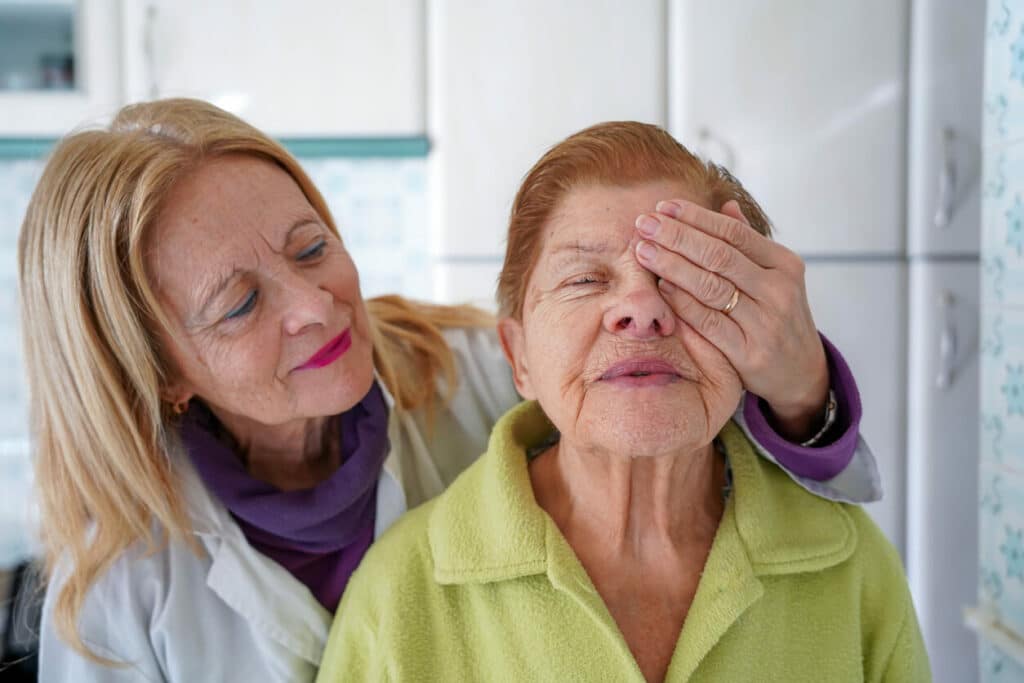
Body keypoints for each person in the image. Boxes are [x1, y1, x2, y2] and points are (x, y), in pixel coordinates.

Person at [20, 100, 878, 682]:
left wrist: (802, 390)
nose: (316, 307)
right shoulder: (118, 592)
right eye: (240, 304)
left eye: (312, 246)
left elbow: (721, 459)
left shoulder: (470, 365)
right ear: (162, 370)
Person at [318, 122, 926, 682]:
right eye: (585, 279)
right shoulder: (397, 597)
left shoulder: (853, 570)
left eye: (683, 277)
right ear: (519, 356)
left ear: (757, 336)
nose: (643, 309)